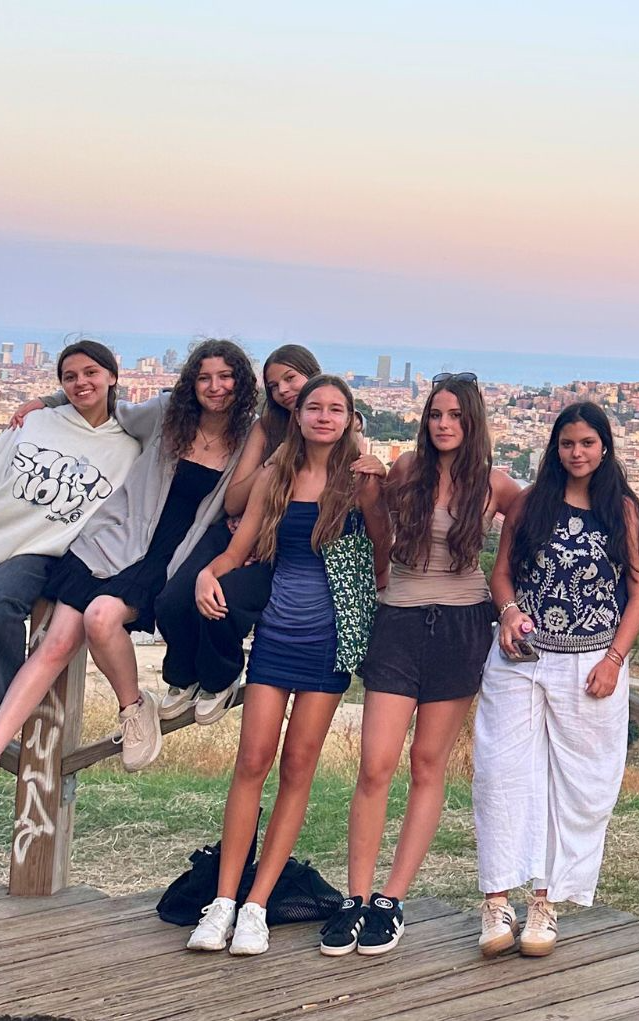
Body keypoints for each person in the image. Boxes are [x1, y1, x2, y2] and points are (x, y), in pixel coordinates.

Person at [0, 340, 259, 815]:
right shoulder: (165, 417)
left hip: (166, 560)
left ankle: (133, 707)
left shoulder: (251, 439)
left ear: (241, 381)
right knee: (53, 646)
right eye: (204, 377)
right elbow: (105, 404)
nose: (214, 387)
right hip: (113, 539)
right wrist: (46, 402)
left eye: (225, 376)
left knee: (101, 618)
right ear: (190, 383)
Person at [318, 372, 523, 958]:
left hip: (462, 627)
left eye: (455, 415)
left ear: (474, 420)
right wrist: (368, 495)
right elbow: (382, 539)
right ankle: (355, 898)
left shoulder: (496, 487)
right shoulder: (406, 468)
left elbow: (556, 508)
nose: (443, 424)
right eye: (435, 414)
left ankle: (391, 898)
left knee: (427, 763)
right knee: (375, 764)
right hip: (399, 621)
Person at [185, 375, 388, 956]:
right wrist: (208, 573)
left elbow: (381, 552)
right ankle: (223, 900)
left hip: (328, 640)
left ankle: (257, 905)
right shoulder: (276, 475)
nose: (324, 417)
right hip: (276, 634)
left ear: (350, 418)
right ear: (297, 416)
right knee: (251, 762)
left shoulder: (360, 479)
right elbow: (238, 547)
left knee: (297, 767)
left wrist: (374, 497)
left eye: (336, 409)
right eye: (313, 408)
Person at [472, 401, 639, 958]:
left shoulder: (623, 511)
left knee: (578, 785)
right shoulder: (531, 504)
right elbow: (501, 571)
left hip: (591, 661)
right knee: (500, 775)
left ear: (604, 447)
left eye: (587, 443)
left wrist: (615, 659)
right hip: (521, 656)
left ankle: (545, 904)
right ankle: (495, 902)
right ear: (555, 447)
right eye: (568, 443)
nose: (577, 453)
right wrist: (507, 612)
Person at [0, 340, 140, 731]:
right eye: (70, 377)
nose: (81, 383)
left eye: (90, 373)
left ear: (112, 377)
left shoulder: (128, 448)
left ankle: (5, 704)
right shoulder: (35, 422)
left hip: (41, 551)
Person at [154, 343, 323, 725]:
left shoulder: (335, 430)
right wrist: (271, 466)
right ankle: (182, 677)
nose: (283, 391)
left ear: (311, 373)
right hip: (233, 531)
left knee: (223, 603)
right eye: (274, 385)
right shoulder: (268, 427)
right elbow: (233, 502)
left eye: (290, 379)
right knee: (173, 600)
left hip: (280, 549)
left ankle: (219, 677)